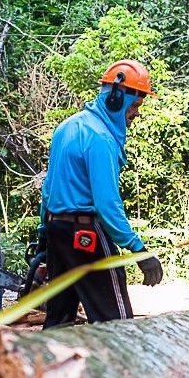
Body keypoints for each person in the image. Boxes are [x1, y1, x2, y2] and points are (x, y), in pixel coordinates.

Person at [38, 59, 164, 329]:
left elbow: (47, 191)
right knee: (116, 323)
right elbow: (107, 204)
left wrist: (43, 236)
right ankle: (122, 370)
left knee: (58, 322)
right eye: (135, 106)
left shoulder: (66, 128)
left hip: (57, 230)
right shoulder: (101, 139)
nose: (136, 114)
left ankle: (46, 368)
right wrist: (138, 250)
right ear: (118, 98)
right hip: (87, 235)